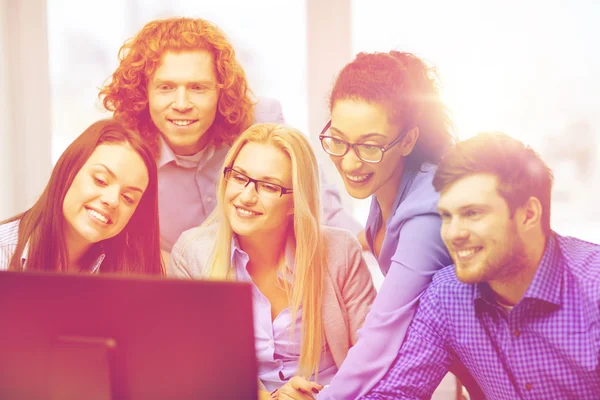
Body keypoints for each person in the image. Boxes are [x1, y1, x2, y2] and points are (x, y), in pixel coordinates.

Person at [360, 132, 600, 399]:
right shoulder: (447, 296)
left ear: (528, 214)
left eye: (472, 213)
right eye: (447, 216)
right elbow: (397, 392)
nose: (453, 234)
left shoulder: (593, 288)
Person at [99, 17, 362, 255]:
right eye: (166, 87)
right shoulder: (126, 151)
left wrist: (368, 242)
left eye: (198, 88)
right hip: (180, 286)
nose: (181, 103)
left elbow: (315, 200)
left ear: (220, 91)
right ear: (144, 93)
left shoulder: (261, 121)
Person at [310, 51, 482, 399]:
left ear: (407, 140)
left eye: (369, 146)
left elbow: (383, 334)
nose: (350, 161)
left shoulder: (429, 215)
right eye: (339, 140)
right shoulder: (390, 180)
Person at [168, 123, 377, 397]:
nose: (246, 196)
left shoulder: (340, 251)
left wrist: (322, 396)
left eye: (268, 186)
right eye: (239, 177)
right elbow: (195, 367)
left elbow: (373, 357)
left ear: (295, 202)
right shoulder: (191, 254)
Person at [0, 119, 163, 275]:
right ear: (67, 171)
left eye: (128, 198)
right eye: (100, 180)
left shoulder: (132, 271)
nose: (112, 200)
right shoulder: (4, 253)